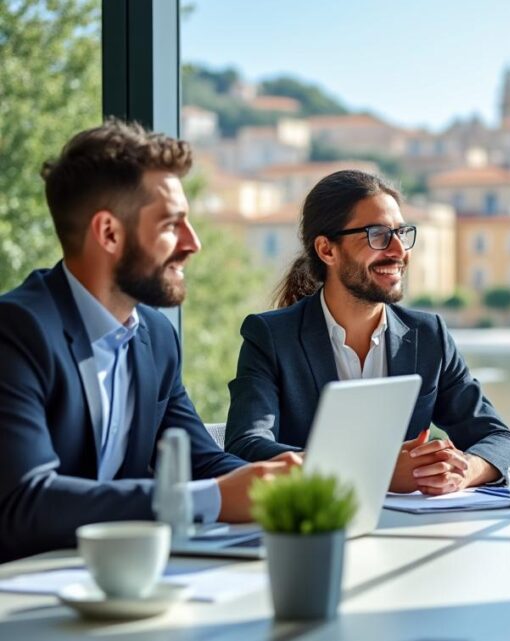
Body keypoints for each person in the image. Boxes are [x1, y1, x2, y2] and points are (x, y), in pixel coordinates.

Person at [0, 120, 298, 563]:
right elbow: (26, 501)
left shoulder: (156, 337)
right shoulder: (17, 331)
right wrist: (211, 499)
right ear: (109, 233)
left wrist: (289, 490)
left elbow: (203, 463)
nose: (193, 243)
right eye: (171, 225)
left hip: (121, 581)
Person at [225, 170, 510, 495]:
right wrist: (370, 473)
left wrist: (463, 471)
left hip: (410, 534)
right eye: (378, 235)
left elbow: (502, 441)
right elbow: (245, 447)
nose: (399, 250)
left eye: (401, 233)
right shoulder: (270, 336)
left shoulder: (428, 335)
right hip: (315, 531)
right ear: (327, 250)